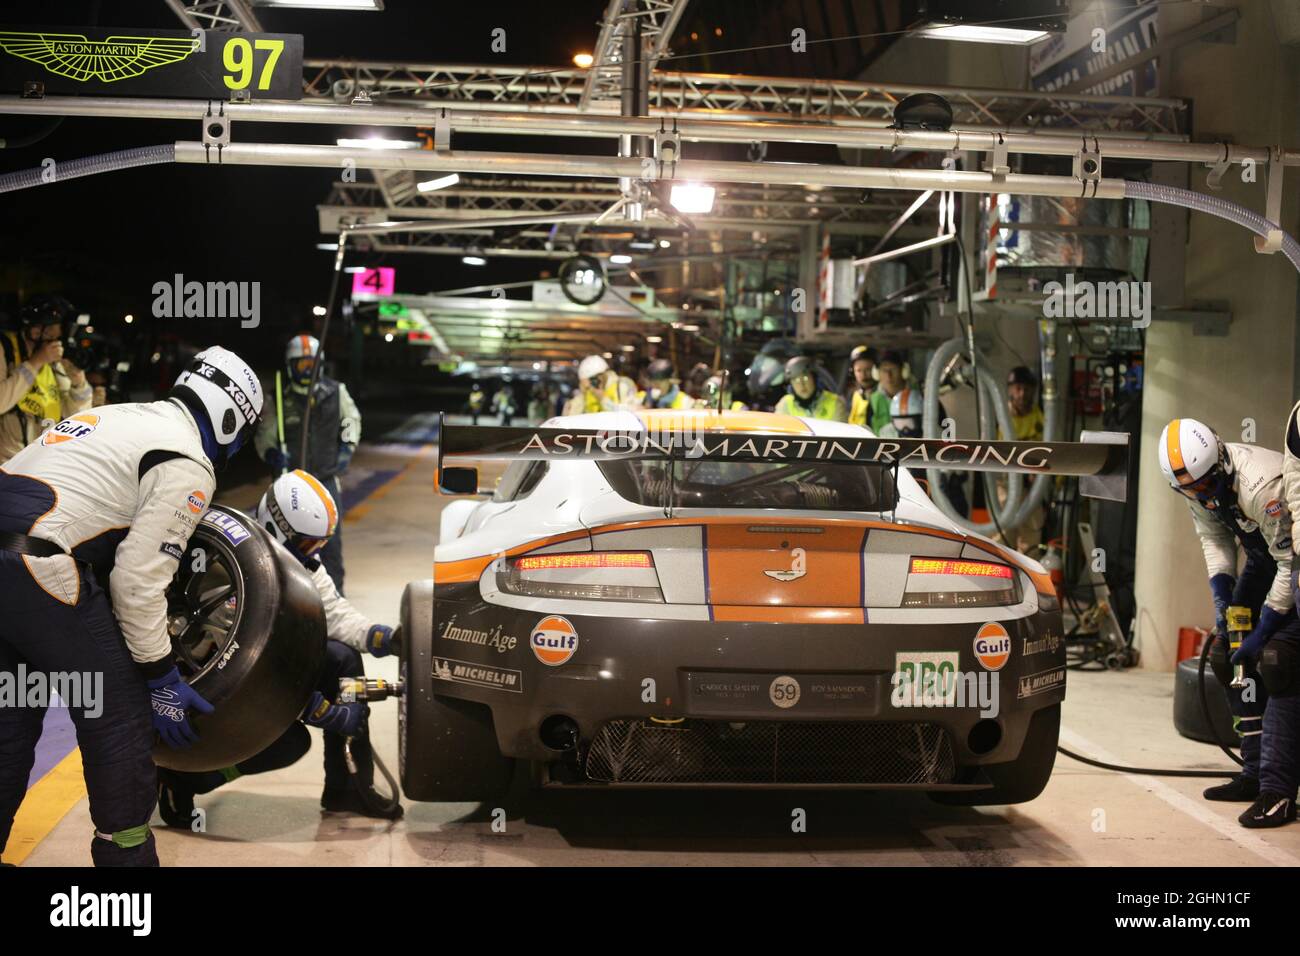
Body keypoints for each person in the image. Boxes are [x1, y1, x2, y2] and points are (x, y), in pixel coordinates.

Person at [0, 346, 262, 866]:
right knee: (117, 713)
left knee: (9, 722)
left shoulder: (113, 414)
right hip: (38, 563)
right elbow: (138, 584)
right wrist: (161, 678)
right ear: (230, 419)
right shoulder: (188, 460)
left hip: (14, 565)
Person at [156, 470, 402, 825]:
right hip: (190, 683)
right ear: (276, 526)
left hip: (253, 670)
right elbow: (229, 660)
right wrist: (308, 706)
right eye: (307, 545)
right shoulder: (214, 554)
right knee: (288, 743)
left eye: (319, 546)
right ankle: (181, 779)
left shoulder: (299, 564)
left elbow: (330, 613)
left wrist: (381, 637)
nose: (313, 555)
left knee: (342, 660)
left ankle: (347, 787)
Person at [1159, 418, 1295, 823]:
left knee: (1279, 660)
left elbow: (1289, 563)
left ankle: (1279, 791)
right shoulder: (1194, 481)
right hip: (1268, 555)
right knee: (1227, 655)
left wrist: (1266, 629)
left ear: (1220, 463)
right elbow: (1215, 539)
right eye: (1191, 490)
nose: (1201, 495)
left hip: (1294, 561)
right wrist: (1223, 602)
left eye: (1204, 485)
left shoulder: (1263, 486)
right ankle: (1253, 773)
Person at [254, 334, 360, 594]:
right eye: (301, 365)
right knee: (286, 544)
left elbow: (351, 420)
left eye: (311, 364)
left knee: (331, 543)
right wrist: (270, 453)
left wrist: (347, 448)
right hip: (289, 483)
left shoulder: (336, 391)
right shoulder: (278, 397)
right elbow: (265, 433)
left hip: (325, 480)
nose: (307, 370)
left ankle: (336, 598)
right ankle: (290, 597)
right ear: (290, 366)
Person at [0, 294, 92, 462]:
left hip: (42, 465)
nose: (59, 341)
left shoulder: (54, 360)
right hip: (6, 467)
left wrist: (78, 382)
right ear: (36, 331)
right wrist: (36, 362)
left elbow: (79, 419)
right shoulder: (5, 349)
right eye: (55, 335)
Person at [997, 366, 1047, 555]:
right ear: (1010, 390)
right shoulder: (1002, 416)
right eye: (1018, 388)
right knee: (1002, 537)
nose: (1022, 394)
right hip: (1006, 486)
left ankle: (1029, 580)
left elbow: (1048, 448)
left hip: (1032, 488)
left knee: (1031, 539)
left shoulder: (1040, 416)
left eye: (1027, 389)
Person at [774, 356, 847, 421]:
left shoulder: (835, 403)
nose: (802, 384)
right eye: (796, 380)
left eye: (806, 378)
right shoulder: (785, 405)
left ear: (814, 379)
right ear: (791, 385)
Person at [568, 354, 639, 415]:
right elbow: (573, 415)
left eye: (594, 379)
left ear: (603, 374)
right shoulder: (589, 389)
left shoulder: (623, 384)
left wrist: (603, 399)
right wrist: (582, 394)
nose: (594, 382)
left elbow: (631, 412)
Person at [846, 345, 890, 434]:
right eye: (859, 370)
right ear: (852, 372)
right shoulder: (856, 396)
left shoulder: (888, 393)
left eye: (868, 370)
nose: (863, 375)